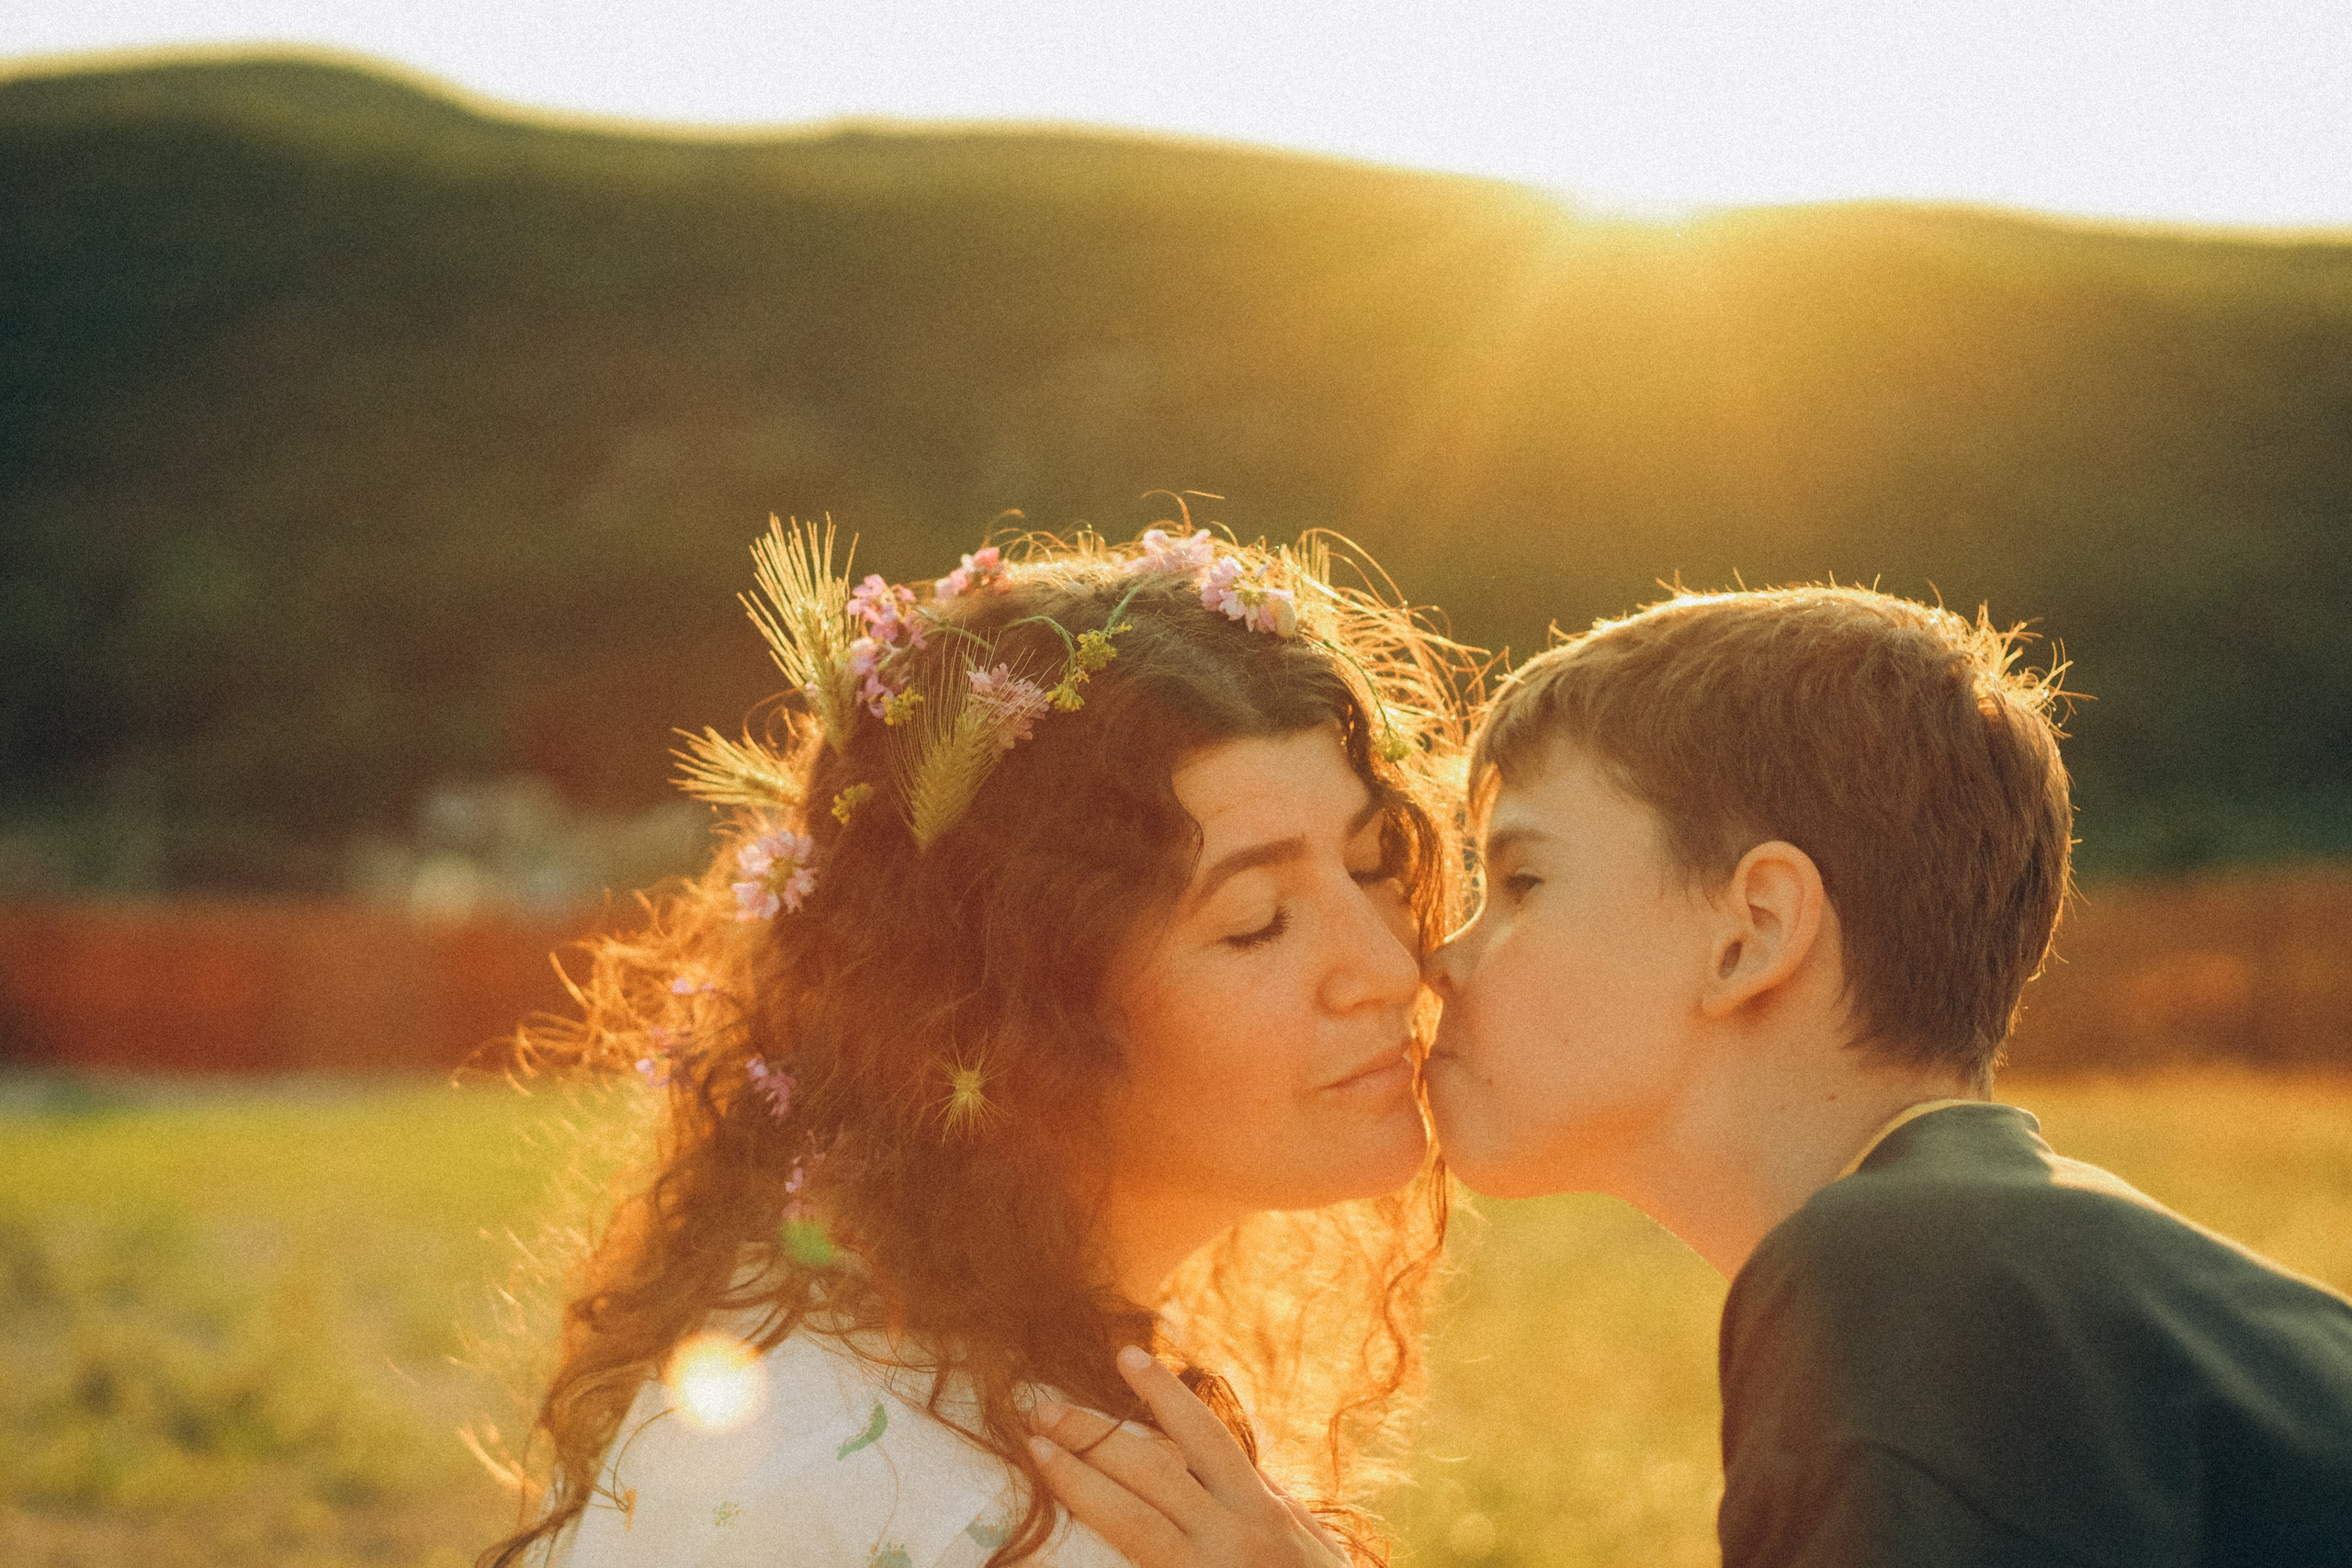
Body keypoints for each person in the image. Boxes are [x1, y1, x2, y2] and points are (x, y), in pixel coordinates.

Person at [1028, 585, 2352, 1566]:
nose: (1436, 957)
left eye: (1524, 877)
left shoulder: (1915, 1271)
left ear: (1752, 930)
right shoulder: (2017, 1261)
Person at [476, 517, 1477, 1568]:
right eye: (1256, 921)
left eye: (1371, 865)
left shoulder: (1038, 1381)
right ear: (1013, 1013)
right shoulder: (865, 1486)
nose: (1391, 968)